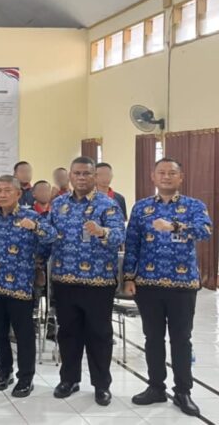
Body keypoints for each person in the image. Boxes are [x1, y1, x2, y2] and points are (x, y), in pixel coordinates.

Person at [123, 158, 213, 417]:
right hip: (148, 284)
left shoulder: (194, 206)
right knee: (152, 338)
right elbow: (132, 244)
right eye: (161, 172)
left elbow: (205, 231)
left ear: (180, 178)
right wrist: (129, 277)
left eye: (172, 173)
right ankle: (155, 387)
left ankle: (183, 391)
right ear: (153, 177)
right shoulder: (142, 208)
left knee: (181, 339)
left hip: (182, 284)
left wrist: (175, 226)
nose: (166, 176)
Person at [49, 156, 125, 406]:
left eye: (86, 174)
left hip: (98, 282)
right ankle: (69, 380)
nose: (81, 178)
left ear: (95, 176)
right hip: (64, 278)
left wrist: (102, 231)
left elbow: (119, 236)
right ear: (70, 176)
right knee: (68, 333)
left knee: (99, 335)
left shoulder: (108, 205)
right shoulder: (58, 204)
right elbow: (48, 236)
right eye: (77, 173)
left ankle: (101, 385)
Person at [0, 175, 56, 397]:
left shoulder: (32, 217)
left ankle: (26, 378)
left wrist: (36, 228)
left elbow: (51, 238)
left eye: (7, 190)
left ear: (18, 194)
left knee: (24, 334)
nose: (2, 195)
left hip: (21, 285)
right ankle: (4, 372)